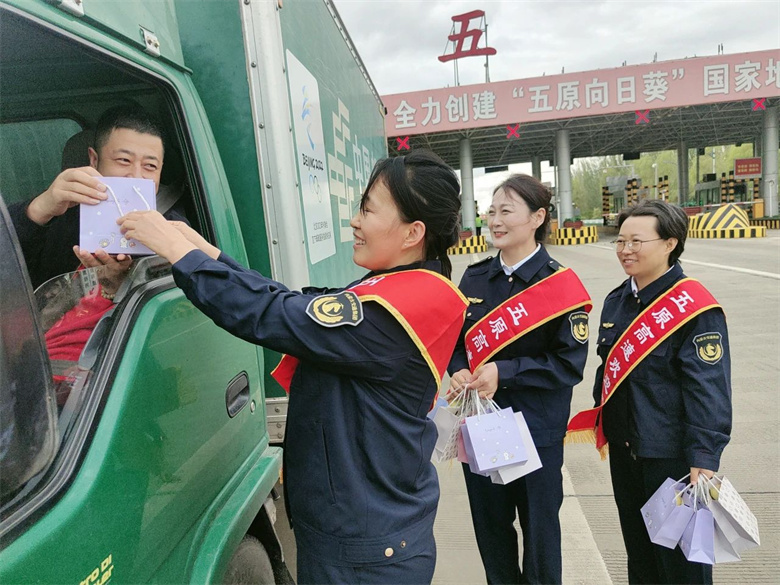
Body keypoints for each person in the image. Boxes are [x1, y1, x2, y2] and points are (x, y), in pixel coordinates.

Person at [117, 150, 469, 584]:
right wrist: (204, 252)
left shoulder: (396, 310)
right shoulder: (400, 286)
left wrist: (176, 251)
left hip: (364, 554)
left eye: (368, 210)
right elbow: (292, 304)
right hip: (365, 534)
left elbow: (272, 315)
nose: (355, 221)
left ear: (413, 232)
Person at [566, 200, 731, 584]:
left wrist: (704, 456)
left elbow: (708, 388)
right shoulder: (617, 300)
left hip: (672, 460)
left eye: (637, 241)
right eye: (620, 241)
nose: (626, 250)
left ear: (670, 242)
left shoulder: (693, 307)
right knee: (640, 560)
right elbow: (607, 372)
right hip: (626, 453)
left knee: (681, 565)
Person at [448, 174, 591, 585]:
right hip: (481, 426)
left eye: (506, 211)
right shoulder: (474, 278)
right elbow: (455, 341)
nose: (494, 220)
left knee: (540, 533)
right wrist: (457, 368)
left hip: (536, 429)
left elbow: (568, 364)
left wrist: (503, 372)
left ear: (537, 217)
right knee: (491, 530)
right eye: (491, 211)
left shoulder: (560, 284)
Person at [8, 103, 185, 289]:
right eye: (124, 160)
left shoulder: (172, 229)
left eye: (150, 166)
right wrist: (37, 210)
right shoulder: (62, 210)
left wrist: (119, 285)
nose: (136, 176)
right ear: (94, 160)